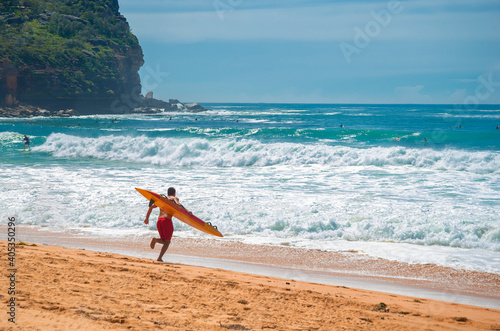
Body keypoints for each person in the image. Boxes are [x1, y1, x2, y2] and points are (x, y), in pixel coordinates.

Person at [144, 187, 181, 262]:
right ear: (174, 193)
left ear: (167, 193)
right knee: (167, 242)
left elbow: (151, 207)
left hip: (159, 221)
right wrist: (188, 212)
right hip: (166, 221)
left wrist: (146, 218)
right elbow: (178, 204)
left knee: (164, 240)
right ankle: (159, 258)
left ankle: (156, 240)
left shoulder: (162, 200)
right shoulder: (174, 198)